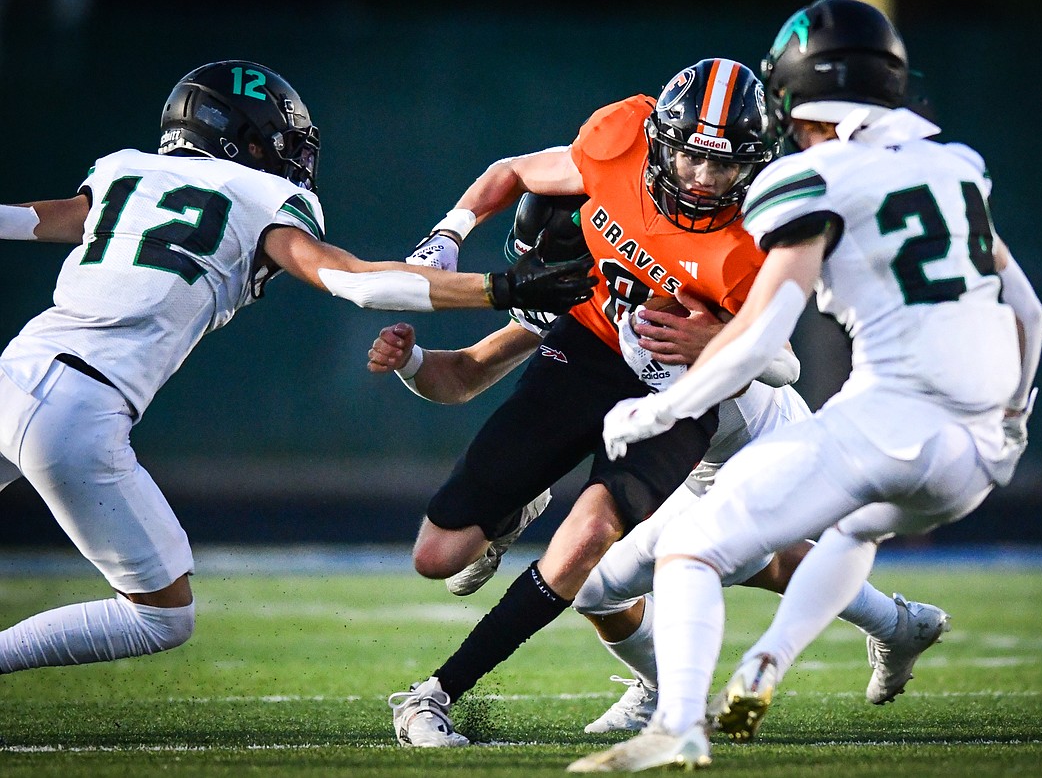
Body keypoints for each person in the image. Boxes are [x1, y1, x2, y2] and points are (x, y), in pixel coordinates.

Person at [570, 0, 1042, 771]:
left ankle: (680, 723)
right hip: (977, 455)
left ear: (796, 90)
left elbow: (759, 336)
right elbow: (1029, 309)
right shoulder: (957, 167)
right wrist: (1014, 419)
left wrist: (662, 405)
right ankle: (774, 659)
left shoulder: (811, 175)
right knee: (855, 533)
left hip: (883, 425)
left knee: (689, 548)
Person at [0, 59, 594, 676]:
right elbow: (354, 282)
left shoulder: (124, 171)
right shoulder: (262, 195)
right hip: (76, 412)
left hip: (14, 372)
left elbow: (29, 219)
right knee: (161, 617)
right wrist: (500, 288)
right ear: (245, 139)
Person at [374, 193, 949, 743]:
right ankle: (668, 684)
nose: (544, 276)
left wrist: (718, 339)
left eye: (552, 262)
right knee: (598, 589)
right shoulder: (579, 298)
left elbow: (783, 363)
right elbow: (472, 369)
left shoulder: (674, 279)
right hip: (687, 456)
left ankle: (894, 626)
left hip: (752, 444)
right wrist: (415, 362)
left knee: (734, 559)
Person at [382, 57, 785, 748]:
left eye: (724, 167)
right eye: (691, 156)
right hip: (595, 346)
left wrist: (713, 339)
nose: (703, 179)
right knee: (436, 554)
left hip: (680, 391)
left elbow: (780, 358)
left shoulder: (758, 236)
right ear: (659, 138)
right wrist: (449, 232)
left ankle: (434, 692)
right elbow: (513, 171)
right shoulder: (617, 140)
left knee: (592, 535)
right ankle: (511, 508)